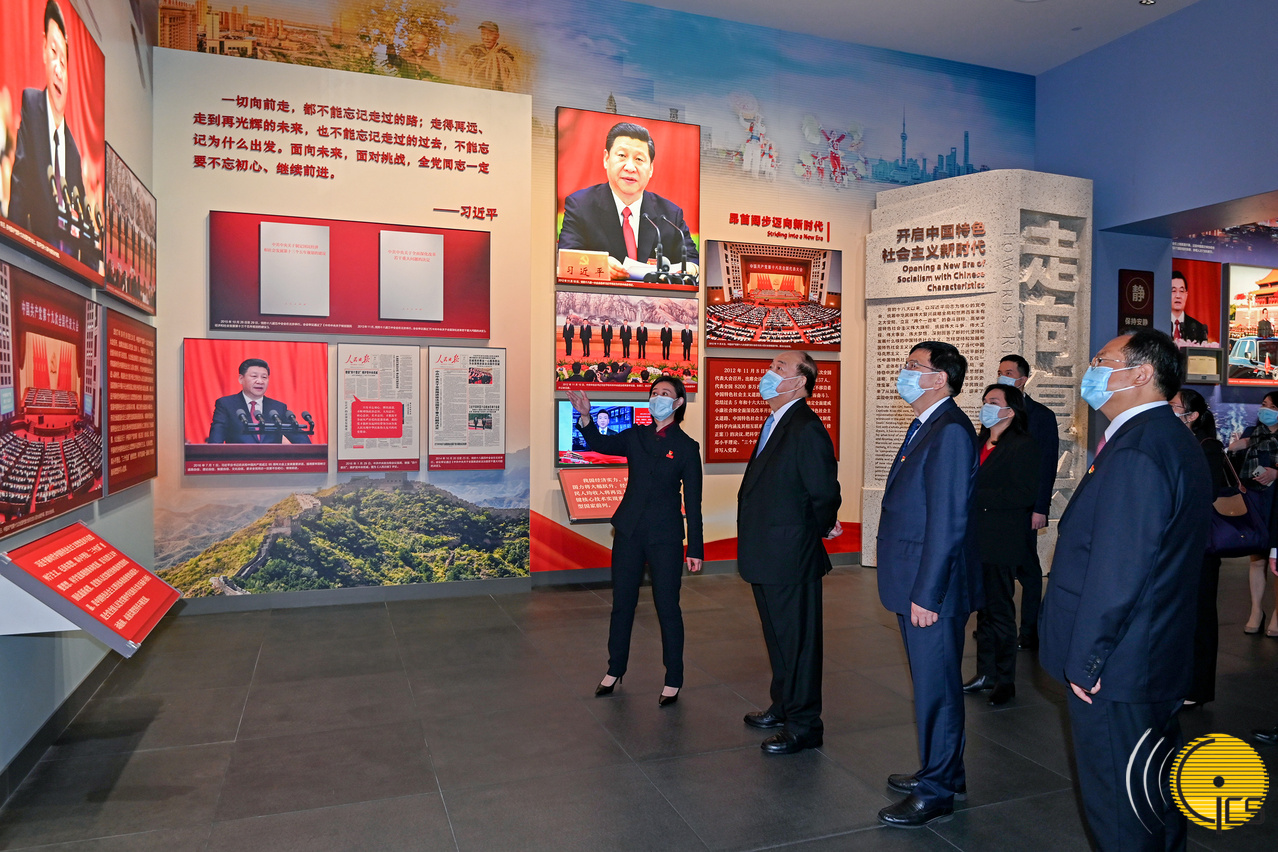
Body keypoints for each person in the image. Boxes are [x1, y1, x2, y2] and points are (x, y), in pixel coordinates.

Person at [1039, 329, 1211, 851]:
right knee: (1149, 792)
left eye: (1102, 361)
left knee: (1120, 809)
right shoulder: (1162, 437)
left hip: (1121, 665)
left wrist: (1088, 660)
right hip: (1151, 652)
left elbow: (1119, 572)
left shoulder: (1138, 449)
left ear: (1141, 373)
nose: (1091, 370)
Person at [876, 341, 980, 829]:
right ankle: (945, 771)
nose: (905, 372)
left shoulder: (950, 431)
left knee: (937, 689)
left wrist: (928, 593)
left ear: (940, 379)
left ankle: (936, 792)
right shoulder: (927, 424)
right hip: (916, 578)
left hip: (930, 588)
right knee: (932, 684)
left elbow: (948, 520)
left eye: (914, 366)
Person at [567, 378, 703, 706]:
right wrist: (585, 416)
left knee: (667, 606)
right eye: (654, 393)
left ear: (678, 403)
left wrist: (696, 547)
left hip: (665, 537)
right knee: (622, 603)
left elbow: (694, 501)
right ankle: (615, 668)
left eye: (665, 394)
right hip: (629, 532)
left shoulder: (687, 447)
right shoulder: (635, 436)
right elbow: (600, 443)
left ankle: (673, 678)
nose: (657, 398)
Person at [738, 351, 841, 755]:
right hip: (768, 553)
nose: (769, 372)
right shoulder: (776, 421)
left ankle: (804, 724)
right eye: (771, 366)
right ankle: (783, 706)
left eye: (779, 368)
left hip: (790, 555)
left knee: (798, 644)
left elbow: (824, 492)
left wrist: (812, 533)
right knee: (778, 638)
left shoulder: (806, 427)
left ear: (799, 382)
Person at [963, 384, 1038, 707]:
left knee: (1000, 611)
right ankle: (985, 673)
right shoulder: (979, 442)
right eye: (985, 401)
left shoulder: (1022, 445)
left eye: (993, 402)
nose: (986, 406)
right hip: (975, 539)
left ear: (1011, 410)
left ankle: (1005, 680)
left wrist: (974, 497)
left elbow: (1022, 494)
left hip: (1001, 539)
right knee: (983, 611)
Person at [557, 122, 699, 280]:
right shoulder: (581, 205)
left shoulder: (670, 215)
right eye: (622, 156)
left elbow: (694, 260)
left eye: (639, 159)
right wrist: (599, 265)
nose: (630, 167)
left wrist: (689, 269)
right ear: (606, 159)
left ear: (651, 168)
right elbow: (566, 260)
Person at [8, 2, 87, 250]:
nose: (58, 70)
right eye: (53, 52)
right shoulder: (32, 106)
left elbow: (84, 231)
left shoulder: (73, 153)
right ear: (43, 49)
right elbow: (19, 189)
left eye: (64, 62)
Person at [996, 354, 1060, 652]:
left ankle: (1030, 629)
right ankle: (998, 625)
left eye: (1008, 372)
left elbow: (1047, 466)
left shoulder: (1042, 416)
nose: (1003, 377)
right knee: (997, 569)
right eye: (1000, 372)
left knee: (1028, 569)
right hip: (996, 506)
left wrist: (1040, 508)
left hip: (1024, 507)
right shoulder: (996, 411)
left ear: (1023, 379)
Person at [1174, 388, 1230, 707]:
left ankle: (1198, 688)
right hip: (1179, 544)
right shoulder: (1177, 442)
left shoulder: (1208, 447)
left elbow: (1205, 493)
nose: (1168, 410)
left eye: (1175, 406)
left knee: (1201, 616)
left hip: (1200, 545)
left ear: (1193, 416)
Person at [1226, 391, 1278, 637]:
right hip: (1256, 499)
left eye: (1270, 407)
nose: (1264, 410)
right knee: (1257, 558)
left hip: (1276, 501)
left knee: (1276, 560)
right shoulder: (1252, 433)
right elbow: (1237, 467)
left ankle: (1277, 612)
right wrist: (1236, 448)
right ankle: (1256, 610)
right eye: (1264, 405)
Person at [207, 358, 312, 445]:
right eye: (254, 376)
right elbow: (215, 442)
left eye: (264, 377)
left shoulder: (278, 408)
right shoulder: (226, 405)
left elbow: (300, 439)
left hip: (270, 463)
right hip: (239, 462)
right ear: (241, 379)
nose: (260, 381)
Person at [457, 21, 522, 92]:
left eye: (490, 34)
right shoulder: (475, 49)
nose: (486, 37)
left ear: (497, 36)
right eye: (483, 34)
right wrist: (465, 56)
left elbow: (510, 68)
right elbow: (459, 56)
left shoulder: (505, 54)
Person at [1169, 271, 1208, 345]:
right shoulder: (1159, 325)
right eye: (1173, 291)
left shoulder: (1198, 328)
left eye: (1181, 291)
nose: (1178, 296)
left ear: (1186, 295)